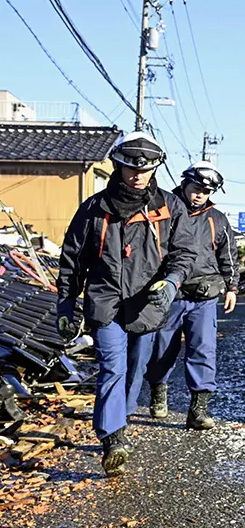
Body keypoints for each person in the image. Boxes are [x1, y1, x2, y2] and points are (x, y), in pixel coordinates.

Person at [56, 132, 198, 477]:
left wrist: (172, 281)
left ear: (154, 169)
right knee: (112, 369)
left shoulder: (168, 207)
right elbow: (72, 259)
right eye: (129, 167)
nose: (137, 175)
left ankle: (122, 419)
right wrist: (65, 303)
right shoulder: (93, 210)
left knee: (135, 369)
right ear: (117, 165)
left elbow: (184, 252)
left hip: (147, 305)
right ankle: (113, 439)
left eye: (145, 169)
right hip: (104, 302)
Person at [128, 161, 238, 430]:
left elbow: (229, 255)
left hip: (205, 295)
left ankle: (198, 410)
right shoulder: (163, 209)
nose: (200, 194)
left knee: (203, 349)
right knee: (162, 349)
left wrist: (232, 287)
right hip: (168, 295)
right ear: (185, 183)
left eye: (207, 191)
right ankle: (158, 390)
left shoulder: (218, 219)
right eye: (196, 188)